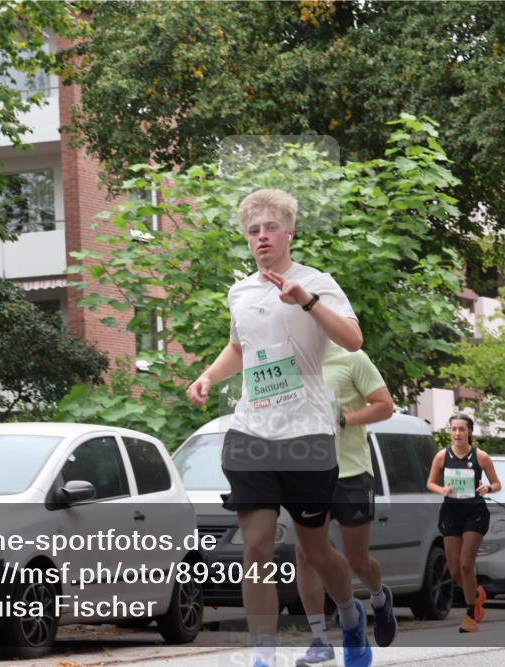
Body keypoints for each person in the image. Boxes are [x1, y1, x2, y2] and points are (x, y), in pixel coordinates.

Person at [186, 189, 373, 667]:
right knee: (256, 546)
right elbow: (240, 348)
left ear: (290, 232)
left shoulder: (317, 282)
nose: (262, 236)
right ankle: (263, 657)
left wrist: (306, 301)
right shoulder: (240, 292)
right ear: (246, 239)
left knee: (314, 549)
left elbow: (353, 339)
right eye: (253, 230)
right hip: (252, 432)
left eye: (270, 227)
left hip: (307, 435)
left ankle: (350, 616)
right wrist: (208, 375)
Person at [294, 343, 396, 666]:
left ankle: (380, 597)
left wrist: (344, 418)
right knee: (305, 553)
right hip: (310, 470)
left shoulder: (352, 358)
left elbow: (385, 406)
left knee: (357, 560)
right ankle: (320, 639)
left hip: (351, 471)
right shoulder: (293, 361)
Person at [426, 413, 502, 633]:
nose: (457, 433)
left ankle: (470, 616)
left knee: (466, 563)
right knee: (455, 570)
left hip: (474, 512)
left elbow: (497, 484)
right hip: (450, 512)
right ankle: (476, 594)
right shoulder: (442, 456)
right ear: (449, 432)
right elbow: (430, 482)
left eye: (462, 429)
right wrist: (443, 490)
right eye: (454, 429)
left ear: (470, 432)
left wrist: (487, 488)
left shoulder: (481, 457)